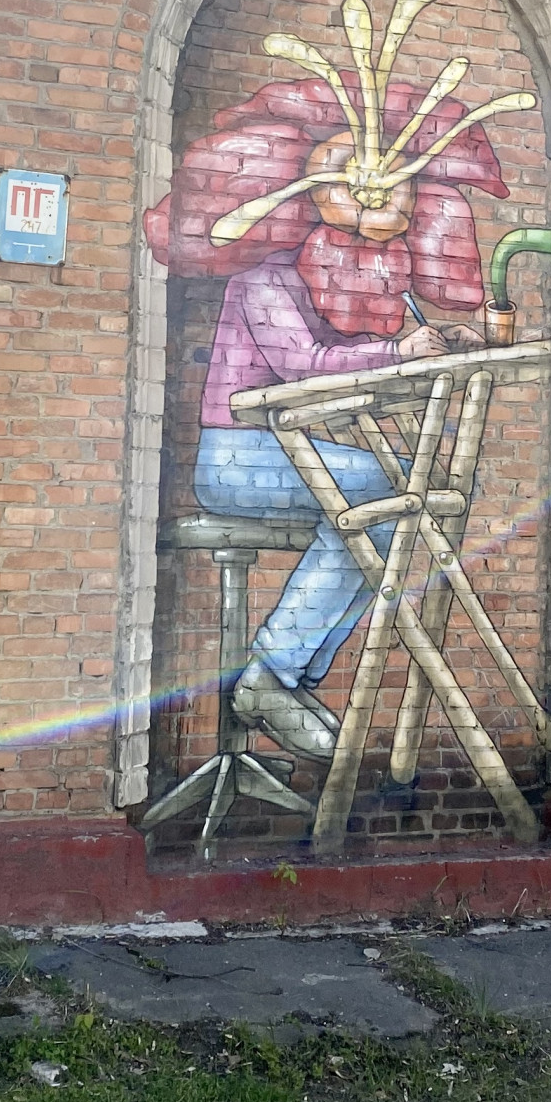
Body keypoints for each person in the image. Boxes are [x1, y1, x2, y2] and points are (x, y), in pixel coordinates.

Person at [195, 247, 477, 764]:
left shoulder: (308, 280)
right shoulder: (264, 280)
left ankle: (289, 677)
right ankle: (272, 674)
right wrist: (398, 351)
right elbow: (302, 362)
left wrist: (431, 338)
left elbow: (338, 348)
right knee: (391, 484)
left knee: (389, 502)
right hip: (233, 458)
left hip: (276, 453)